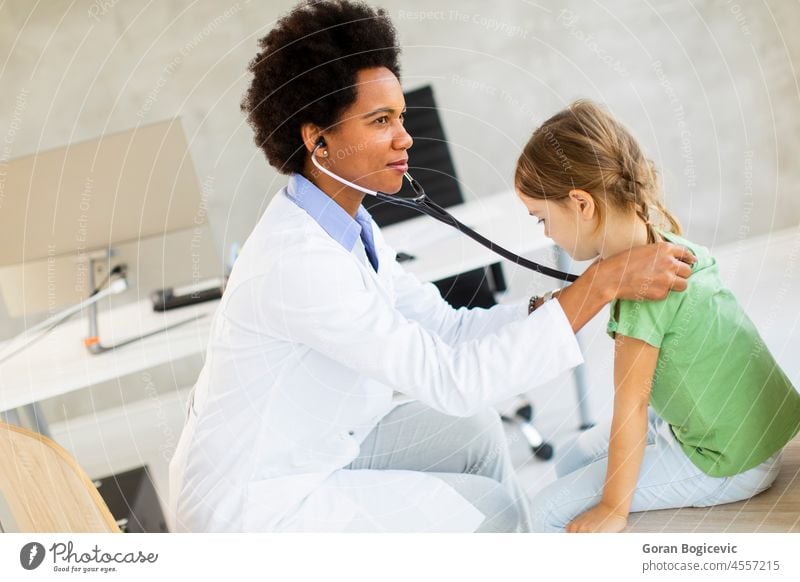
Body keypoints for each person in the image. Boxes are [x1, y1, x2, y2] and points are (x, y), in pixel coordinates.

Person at [168, 1, 695, 533]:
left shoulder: (350, 226)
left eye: (400, 117)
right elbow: (449, 378)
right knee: (493, 512)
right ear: (317, 140)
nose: (406, 137)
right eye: (380, 121)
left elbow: (446, 328)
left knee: (475, 429)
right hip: (256, 503)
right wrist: (600, 286)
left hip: (313, 445)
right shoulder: (298, 263)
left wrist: (564, 300)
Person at [515, 99, 800, 533]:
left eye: (541, 219)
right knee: (573, 457)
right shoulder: (663, 245)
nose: (547, 233)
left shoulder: (643, 293)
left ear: (581, 203)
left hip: (729, 461)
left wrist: (612, 508)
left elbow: (631, 404)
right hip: (746, 432)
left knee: (546, 512)